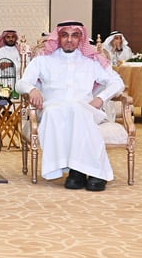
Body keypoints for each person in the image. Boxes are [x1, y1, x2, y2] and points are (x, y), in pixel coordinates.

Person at [16, 21, 125, 192]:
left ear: (81, 38)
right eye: (64, 35)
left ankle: (83, 172)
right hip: (53, 107)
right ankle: (81, 171)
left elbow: (117, 83)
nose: (69, 39)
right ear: (58, 37)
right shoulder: (43, 60)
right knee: (58, 112)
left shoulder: (91, 61)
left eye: (75, 35)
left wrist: (100, 99)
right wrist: (32, 89)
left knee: (78, 111)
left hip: (85, 108)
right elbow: (21, 83)